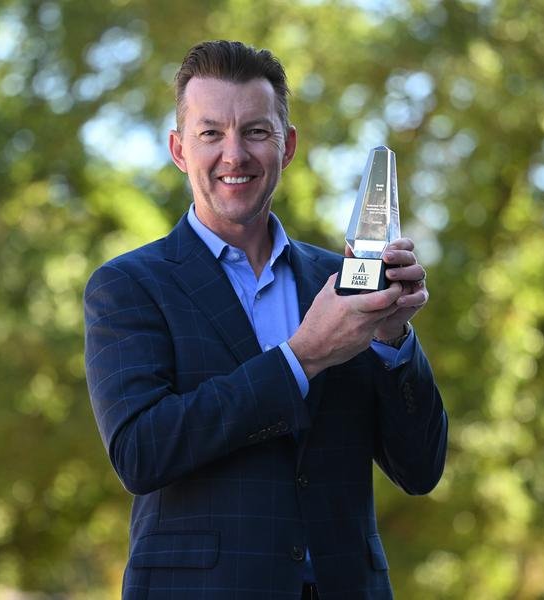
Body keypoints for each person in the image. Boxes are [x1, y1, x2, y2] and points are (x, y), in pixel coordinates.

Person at [84, 40, 448, 600]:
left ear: (288, 145)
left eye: (256, 131)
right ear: (180, 149)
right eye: (211, 134)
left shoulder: (341, 280)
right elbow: (141, 452)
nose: (234, 155)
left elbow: (420, 470)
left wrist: (392, 337)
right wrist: (301, 358)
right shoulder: (129, 286)